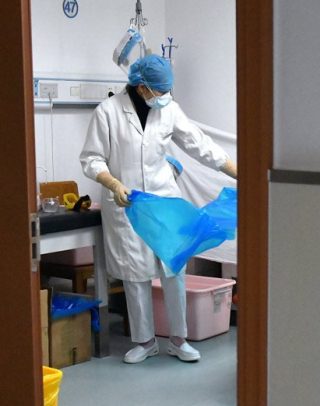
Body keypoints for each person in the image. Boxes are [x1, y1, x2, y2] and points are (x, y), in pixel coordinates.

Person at [80, 54, 238, 364]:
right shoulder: (107, 112)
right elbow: (92, 158)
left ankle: (179, 340)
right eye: (160, 91)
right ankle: (145, 341)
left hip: (164, 201)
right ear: (142, 87)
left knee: (173, 268)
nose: (164, 97)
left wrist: (237, 172)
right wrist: (113, 183)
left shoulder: (169, 110)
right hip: (128, 202)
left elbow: (200, 145)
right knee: (135, 274)